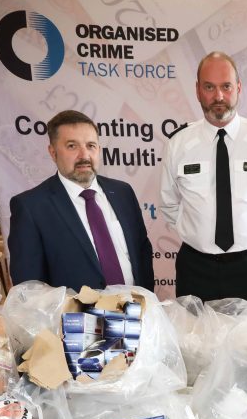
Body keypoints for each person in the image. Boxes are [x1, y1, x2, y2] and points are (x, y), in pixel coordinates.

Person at [160, 51, 247, 302]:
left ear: (238, 88)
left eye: (226, 86)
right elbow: (168, 203)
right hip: (195, 267)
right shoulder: (178, 143)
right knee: (192, 328)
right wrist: (196, 235)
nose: (218, 96)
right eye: (209, 87)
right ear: (198, 90)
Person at [8, 110, 154, 292]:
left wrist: (146, 299)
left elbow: (142, 253)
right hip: (75, 310)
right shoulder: (31, 207)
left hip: (136, 305)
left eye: (91, 145)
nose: (84, 155)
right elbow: (29, 286)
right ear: (53, 152)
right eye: (72, 146)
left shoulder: (123, 192)